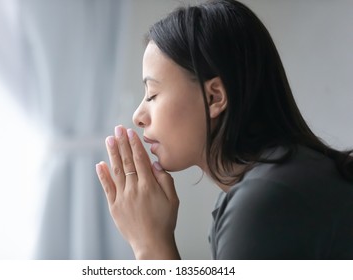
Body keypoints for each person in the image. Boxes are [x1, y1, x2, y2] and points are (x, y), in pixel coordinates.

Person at [95, 0, 353, 259]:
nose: (137, 116)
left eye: (152, 94)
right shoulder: (289, 178)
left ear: (214, 98)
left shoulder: (264, 205)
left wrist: (150, 244)